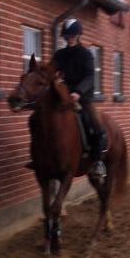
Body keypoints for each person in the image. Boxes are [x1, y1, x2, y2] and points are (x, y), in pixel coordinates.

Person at [27, 19, 107, 179]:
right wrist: (40, 74)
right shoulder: (60, 55)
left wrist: (78, 92)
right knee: (34, 119)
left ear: (78, 35)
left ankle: (97, 162)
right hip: (62, 94)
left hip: (82, 97)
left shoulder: (86, 55)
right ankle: (39, 157)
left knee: (96, 125)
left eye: (72, 35)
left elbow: (90, 77)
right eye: (67, 36)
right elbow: (50, 71)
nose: (69, 38)